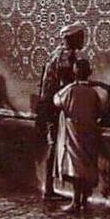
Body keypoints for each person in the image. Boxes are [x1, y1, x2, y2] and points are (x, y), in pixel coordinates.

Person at [37, 22, 87, 201]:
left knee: (54, 143)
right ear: (71, 39)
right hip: (57, 107)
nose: (83, 40)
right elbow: (68, 85)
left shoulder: (56, 54)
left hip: (50, 105)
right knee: (57, 143)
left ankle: (49, 186)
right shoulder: (66, 57)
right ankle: (50, 187)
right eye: (80, 37)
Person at [52, 59, 106, 214]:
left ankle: (75, 201)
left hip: (73, 132)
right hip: (90, 131)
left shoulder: (69, 90)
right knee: (88, 165)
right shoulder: (95, 91)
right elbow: (100, 108)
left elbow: (57, 101)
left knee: (75, 166)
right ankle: (84, 200)